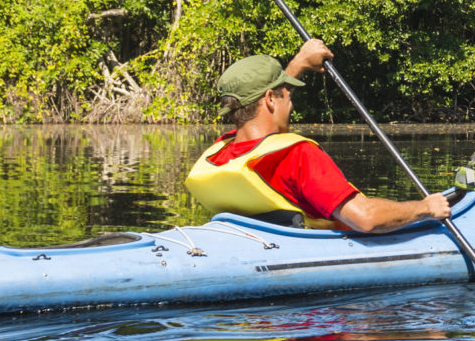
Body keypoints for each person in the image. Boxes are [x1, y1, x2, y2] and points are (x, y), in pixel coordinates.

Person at [183, 39, 450, 231]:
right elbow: (365, 218)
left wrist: (298, 63)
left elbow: (261, 111)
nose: (292, 102)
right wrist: (425, 207)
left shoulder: (221, 152)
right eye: (286, 94)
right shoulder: (297, 155)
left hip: (257, 245)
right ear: (270, 99)